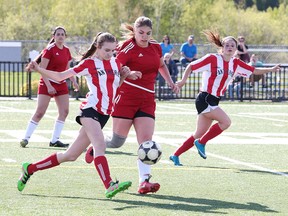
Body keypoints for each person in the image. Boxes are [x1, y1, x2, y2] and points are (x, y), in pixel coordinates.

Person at [17, 32, 132, 198]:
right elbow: (60, 76)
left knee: (69, 155)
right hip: (90, 110)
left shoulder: (115, 62)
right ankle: (109, 185)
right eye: (107, 50)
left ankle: (30, 169)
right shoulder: (89, 64)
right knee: (100, 145)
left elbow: (114, 88)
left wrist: (123, 76)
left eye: (113, 51)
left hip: (104, 114)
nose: (110, 54)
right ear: (98, 48)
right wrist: (39, 68)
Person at [85, 16, 179, 194]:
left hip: (147, 100)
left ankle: (144, 182)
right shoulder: (127, 47)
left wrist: (170, 81)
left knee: (146, 142)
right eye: (141, 33)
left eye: (148, 33)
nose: (144, 36)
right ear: (135, 32)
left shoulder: (156, 47)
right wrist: (127, 74)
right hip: (126, 98)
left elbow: (160, 66)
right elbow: (114, 67)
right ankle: (94, 147)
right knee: (117, 141)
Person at [169, 30, 280, 166]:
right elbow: (191, 66)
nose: (230, 47)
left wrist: (271, 69)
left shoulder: (236, 63)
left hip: (214, 100)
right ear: (222, 47)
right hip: (205, 98)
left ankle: (175, 155)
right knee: (226, 122)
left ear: (235, 49)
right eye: (227, 45)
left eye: (232, 46)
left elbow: (254, 70)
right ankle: (202, 143)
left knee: (198, 134)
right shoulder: (212, 58)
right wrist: (182, 81)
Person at [20, 26, 79, 148]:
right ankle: (25, 138)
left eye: (62, 34)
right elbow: (42, 70)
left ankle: (54, 140)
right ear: (54, 37)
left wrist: (73, 81)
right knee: (40, 112)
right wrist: (49, 86)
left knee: (64, 111)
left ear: (65, 37)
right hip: (47, 83)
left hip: (61, 83)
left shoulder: (67, 51)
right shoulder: (49, 50)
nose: (60, 36)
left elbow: (68, 69)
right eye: (58, 34)